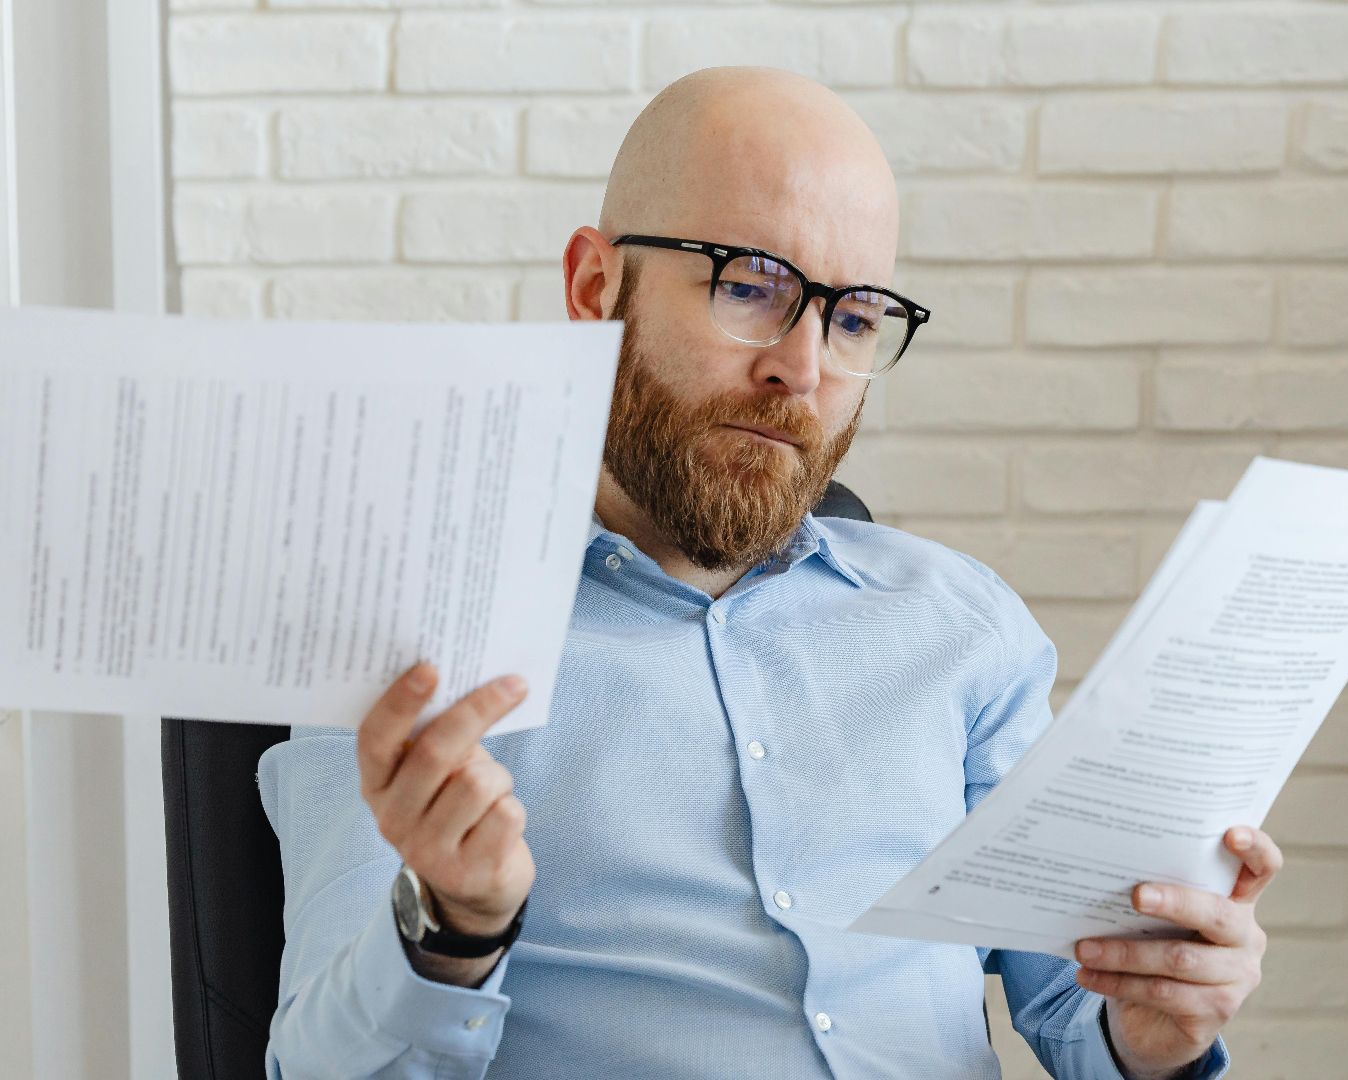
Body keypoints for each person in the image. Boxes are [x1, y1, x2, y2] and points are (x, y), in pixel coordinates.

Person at [260, 66, 1276, 1080]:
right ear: (592, 288)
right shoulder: (416, 646)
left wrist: (1154, 1039)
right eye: (750, 286)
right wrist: (452, 929)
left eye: (855, 318)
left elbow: (1082, 1010)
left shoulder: (964, 627)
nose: (804, 365)